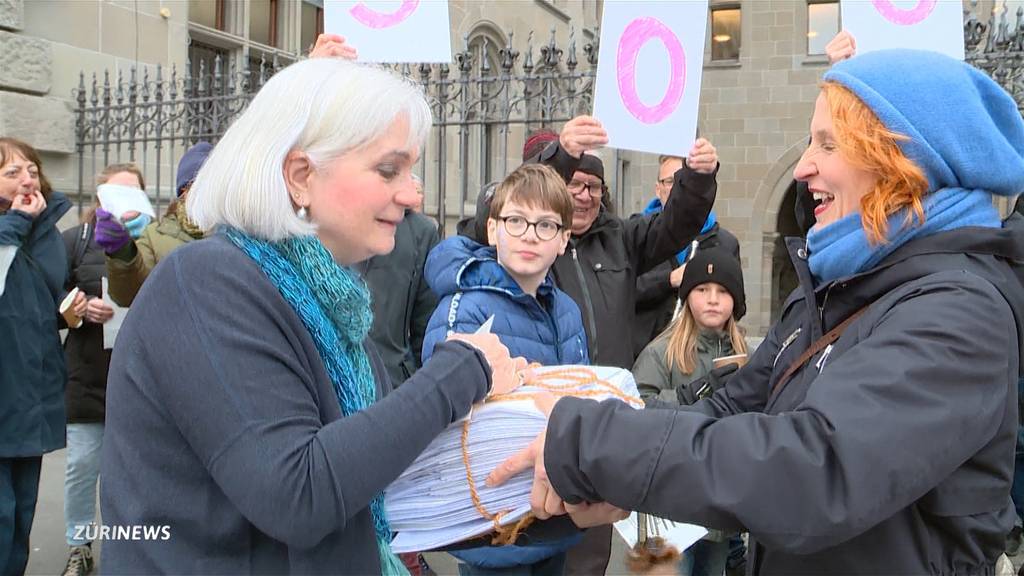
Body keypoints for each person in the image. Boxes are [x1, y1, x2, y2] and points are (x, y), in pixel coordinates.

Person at [492, 49, 1024, 574]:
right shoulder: (834, 287)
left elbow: (815, 471)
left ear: (903, 162)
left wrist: (596, 443)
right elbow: (729, 410)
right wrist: (594, 428)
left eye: (828, 143)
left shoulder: (960, 309)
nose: (802, 166)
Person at [99, 57, 528, 575]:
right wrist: (462, 370)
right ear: (301, 176)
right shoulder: (206, 283)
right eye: (389, 169)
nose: (413, 193)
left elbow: (378, 463)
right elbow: (296, 494)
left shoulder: (333, 306)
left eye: (411, 172)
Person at [523, 121, 719, 575]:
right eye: (574, 184)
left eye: (594, 186)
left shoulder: (621, 241)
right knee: (535, 540)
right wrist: (561, 155)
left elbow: (677, 225)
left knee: (590, 549)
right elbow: (512, 204)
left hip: (601, 421)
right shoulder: (534, 240)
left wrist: (697, 176)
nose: (585, 195)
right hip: (541, 413)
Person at [422, 162, 587, 575]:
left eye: (546, 225)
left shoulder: (566, 309)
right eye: (516, 220)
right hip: (494, 521)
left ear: (564, 239)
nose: (530, 234)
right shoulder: (465, 306)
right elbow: (443, 408)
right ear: (493, 229)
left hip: (554, 510)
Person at [632, 248, 748, 576]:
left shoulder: (748, 356)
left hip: (719, 504)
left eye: (723, 291)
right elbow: (636, 407)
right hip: (667, 505)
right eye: (701, 290)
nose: (712, 299)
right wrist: (692, 393)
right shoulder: (661, 353)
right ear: (687, 297)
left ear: (735, 302)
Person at [58, 164, 148, 576]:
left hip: (140, 382)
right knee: (81, 468)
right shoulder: (75, 242)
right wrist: (77, 307)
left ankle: (129, 549)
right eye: (115, 195)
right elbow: (50, 300)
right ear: (99, 201)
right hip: (88, 376)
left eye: (133, 194)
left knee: (135, 475)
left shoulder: (155, 242)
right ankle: (79, 546)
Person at [0, 137, 81, 576]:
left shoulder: (45, 231)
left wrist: (71, 311)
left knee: (20, 519)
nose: (27, 178)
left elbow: (40, 302)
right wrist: (13, 223)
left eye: (31, 169)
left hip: (31, 397)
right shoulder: (14, 227)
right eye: (12, 173)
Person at [633, 154, 740, 358]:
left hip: (701, 357)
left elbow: (735, 302)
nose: (678, 188)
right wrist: (668, 280)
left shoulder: (725, 243)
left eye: (684, 180)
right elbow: (621, 292)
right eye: (671, 181)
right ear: (658, 189)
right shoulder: (635, 236)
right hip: (643, 352)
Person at [96, 141, 211, 306]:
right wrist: (123, 253)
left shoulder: (243, 230)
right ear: (183, 193)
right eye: (196, 186)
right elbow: (128, 294)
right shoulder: (154, 236)